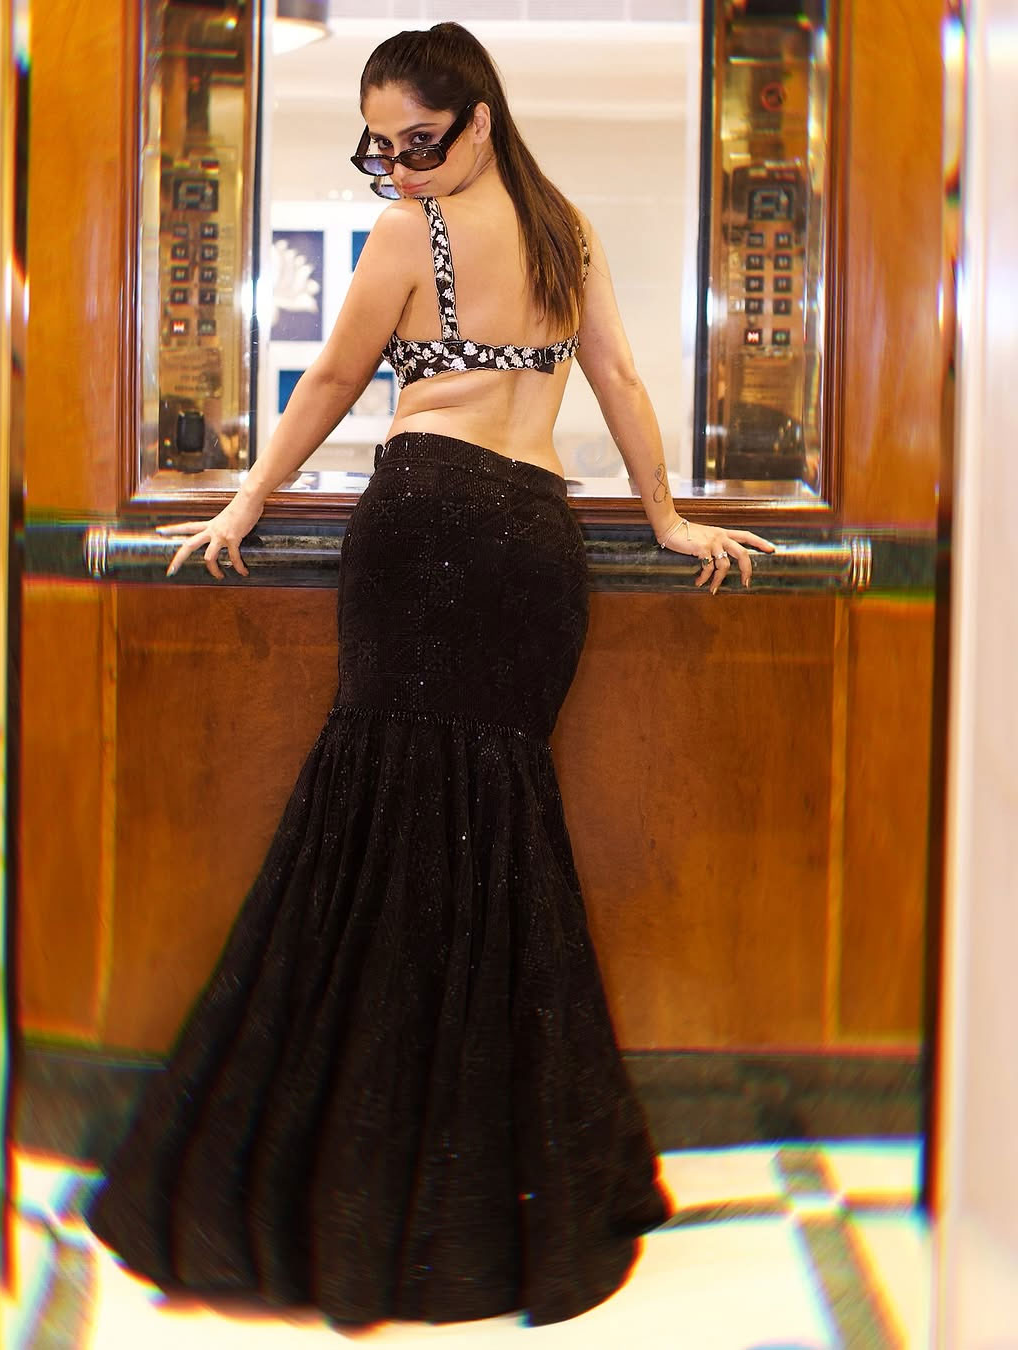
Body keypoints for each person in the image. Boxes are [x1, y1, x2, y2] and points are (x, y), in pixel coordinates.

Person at [85, 21, 774, 1329]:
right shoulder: (566, 231)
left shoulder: (413, 237)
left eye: (414, 142)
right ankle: (490, 1190)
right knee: (494, 831)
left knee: (377, 825)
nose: (396, 169)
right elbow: (621, 381)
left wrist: (245, 502)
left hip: (427, 525)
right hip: (532, 544)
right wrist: (666, 518)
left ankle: (350, 1183)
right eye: (380, 150)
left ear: (477, 120)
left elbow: (335, 380)